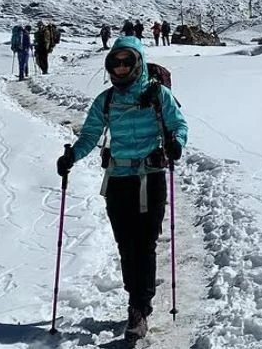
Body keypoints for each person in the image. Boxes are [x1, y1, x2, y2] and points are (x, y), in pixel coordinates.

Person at [56, 36, 188, 340]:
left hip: (151, 178)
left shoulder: (159, 95)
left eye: (127, 60)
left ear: (138, 62)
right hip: (118, 181)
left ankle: (139, 307)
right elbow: (90, 135)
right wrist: (71, 156)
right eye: (115, 62)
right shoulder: (106, 100)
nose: (121, 67)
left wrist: (175, 144)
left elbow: (179, 125)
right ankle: (137, 296)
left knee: (144, 243)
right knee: (127, 245)